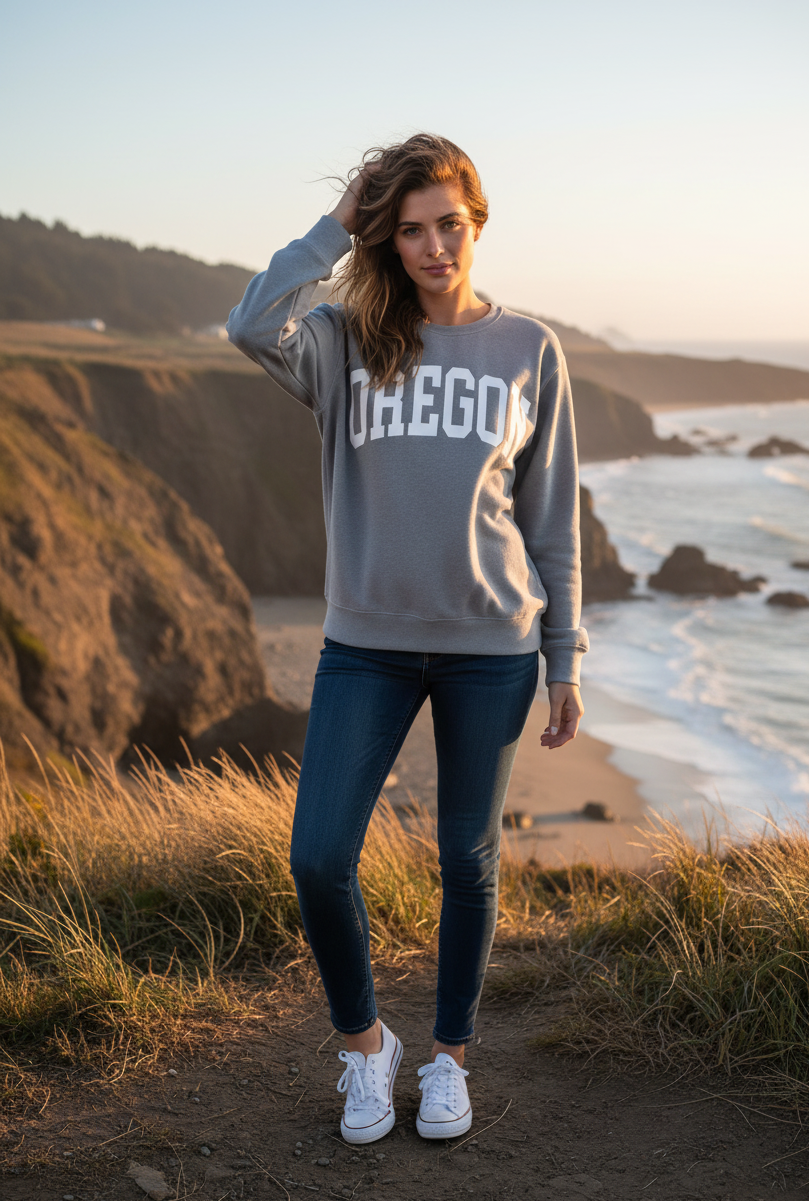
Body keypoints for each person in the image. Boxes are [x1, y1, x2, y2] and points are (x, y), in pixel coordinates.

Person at [227, 133, 588, 1145]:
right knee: (317, 855)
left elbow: (551, 516)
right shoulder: (344, 338)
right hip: (365, 646)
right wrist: (337, 223)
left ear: (478, 226)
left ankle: (447, 1063)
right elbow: (247, 323)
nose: (434, 248)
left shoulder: (529, 350)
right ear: (388, 236)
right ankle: (364, 1049)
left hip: (493, 648)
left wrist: (564, 658)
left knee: (466, 861)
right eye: (411, 229)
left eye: (451, 227)